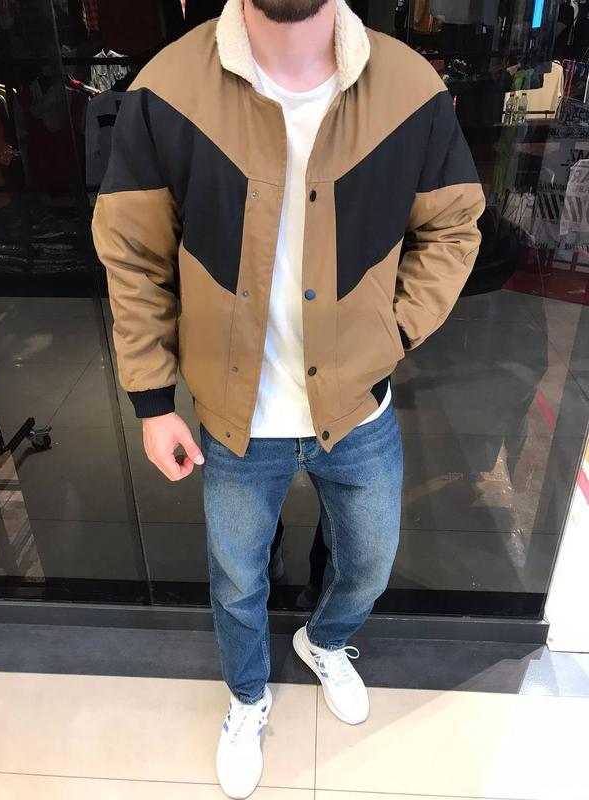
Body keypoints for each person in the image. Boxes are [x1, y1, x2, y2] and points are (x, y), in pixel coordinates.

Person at [91, 1, 485, 796]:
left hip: (358, 409)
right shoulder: (166, 90)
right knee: (236, 582)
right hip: (236, 420)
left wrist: (393, 333)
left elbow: (453, 226)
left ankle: (324, 641)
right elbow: (132, 254)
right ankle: (246, 698)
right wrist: (152, 400)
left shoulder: (408, 87)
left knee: (368, 564)